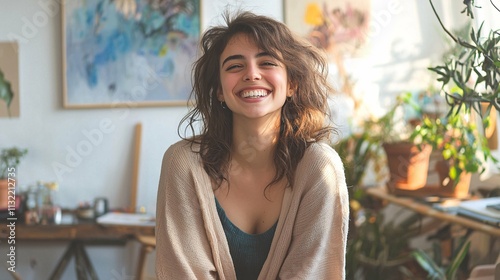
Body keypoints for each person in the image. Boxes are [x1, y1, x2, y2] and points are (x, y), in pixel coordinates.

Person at [156, 10, 349, 280]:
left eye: (267, 62)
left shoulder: (319, 167)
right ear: (220, 90)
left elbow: (311, 273)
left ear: (291, 83)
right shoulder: (183, 163)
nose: (252, 74)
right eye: (235, 66)